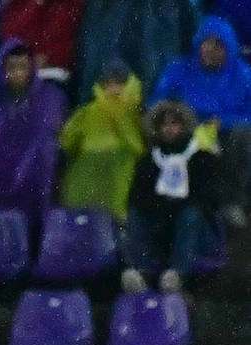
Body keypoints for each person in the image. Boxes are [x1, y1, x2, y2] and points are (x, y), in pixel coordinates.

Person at [122, 99, 226, 293]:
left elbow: (209, 200)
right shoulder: (148, 162)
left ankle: (178, 275)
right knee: (135, 216)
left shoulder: (202, 158)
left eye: (174, 124)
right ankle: (141, 272)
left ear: (184, 126)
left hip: (197, 234)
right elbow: (137, 199)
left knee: (190, 214)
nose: (169, 129)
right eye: (164, 124)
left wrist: (174, 206)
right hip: (162, 231)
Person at [0, 42, 68, 228]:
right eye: (12, 67)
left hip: (35, 181)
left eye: (23, 67)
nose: (17, 73)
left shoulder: (50, 98)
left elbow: (47, 138)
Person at [153, 15, 251, 213]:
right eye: (206, 42)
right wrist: (182, 117)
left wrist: (223, 122)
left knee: (243, 137)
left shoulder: (244, 75)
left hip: (225, 136)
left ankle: (232, 203)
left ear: (229, 49)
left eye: (218, 45)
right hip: (185, 132)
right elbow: (157, 102)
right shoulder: (178, 69)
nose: (210, 49)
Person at [58, 61, 145, 220]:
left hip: (123, 179)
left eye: (119, 83)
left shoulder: (139, 113)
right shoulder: (86, 112)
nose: (114, 89)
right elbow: (68, 142)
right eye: (109, 84)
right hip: (86, 180)